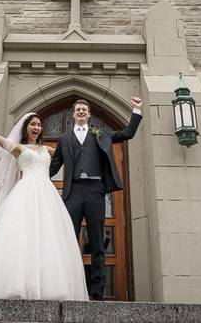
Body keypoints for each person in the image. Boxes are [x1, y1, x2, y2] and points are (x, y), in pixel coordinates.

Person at [0, 112, 88, 300]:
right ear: (26, 128)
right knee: (22, 236)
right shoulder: (19, 149)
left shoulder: (48, 149)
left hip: (47, 193)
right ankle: (18, 285)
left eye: (39, 125)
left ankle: (49, 287)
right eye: (33, 124)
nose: (36, 128)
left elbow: (72, 153)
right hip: (25, 192)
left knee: (48, 237)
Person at [49, 97, 143, 300]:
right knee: (68, 240)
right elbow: (54, 166)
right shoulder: (63, 139)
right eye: (78, 110)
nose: (81, 112)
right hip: (72, 192)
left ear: (89, 114)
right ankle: (66, 287)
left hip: (95, 191)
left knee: (98, 242)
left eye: (84, 109)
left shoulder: (101, 134)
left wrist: (136, 110)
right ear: (73, 115)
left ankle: (97, 292)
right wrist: (35, 174)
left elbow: (127, 133)